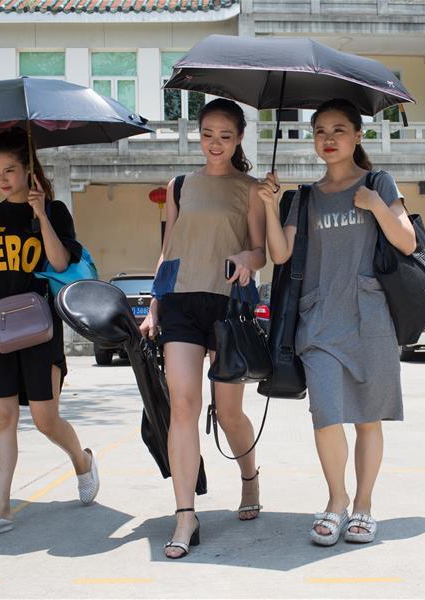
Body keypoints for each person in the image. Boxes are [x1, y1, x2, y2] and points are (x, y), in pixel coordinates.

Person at [258, 98, 416, 546]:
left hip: (370, 318)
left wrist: (376, 206)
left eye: (338, 130)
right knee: (326, 415)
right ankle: (336, 499)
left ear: (358, 135)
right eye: (320, 131)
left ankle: (363, 506)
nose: (328, 139)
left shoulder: (378, 183)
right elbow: (281, 255)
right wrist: (270, 205)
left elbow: (407, 242)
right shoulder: (305, 197)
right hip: (319, 320)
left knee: (367, 418)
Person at [0, 128, 99, 539]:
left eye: (9, 170)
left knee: (46, 420)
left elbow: (60, 262)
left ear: (29, 169)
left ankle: (82, 461)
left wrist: (41, 214)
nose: (1, 179)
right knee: (3, 418)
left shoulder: (55, 211)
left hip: (39, 329)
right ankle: (0, 510)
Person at [139, 98, 266, 559]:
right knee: (183, 406)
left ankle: (249, 478)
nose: (215, 143)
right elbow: (168, 250)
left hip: (228, 303)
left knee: (229, 413)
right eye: (208, 134)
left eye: (225, 136)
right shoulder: (179, 186)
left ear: (239, 139)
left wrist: (247, 258)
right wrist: (154, 304)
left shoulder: (251, 189)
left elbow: (261, 252)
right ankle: (185, 515)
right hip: (179, 303)